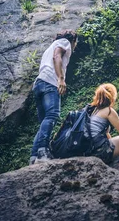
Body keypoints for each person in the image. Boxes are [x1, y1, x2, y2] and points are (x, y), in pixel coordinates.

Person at [30, 30, 78, 164]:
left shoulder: (48, 48)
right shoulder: (65, 42)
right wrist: (61, 79)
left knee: (44, 122)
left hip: (39, 84)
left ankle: (34, 157)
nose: (75, 46)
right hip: (50, 82)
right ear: (73, 40)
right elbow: (57, 56)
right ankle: (42, 152)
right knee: (52, 115)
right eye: (76, 43)